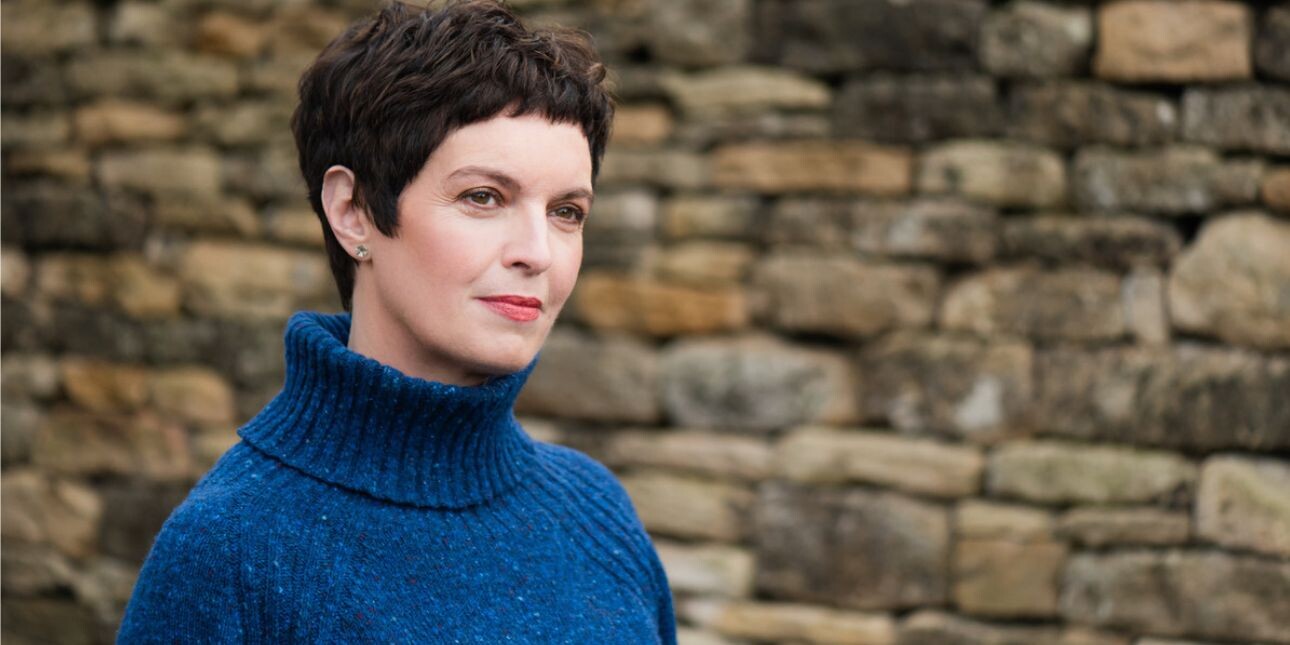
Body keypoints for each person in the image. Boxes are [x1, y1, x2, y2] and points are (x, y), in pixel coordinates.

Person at [115, 1, 677, 642]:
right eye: (483, 197)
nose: (538, 252)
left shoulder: (596, 511)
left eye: (567, 211)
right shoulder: (232, 547)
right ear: (353, 211)